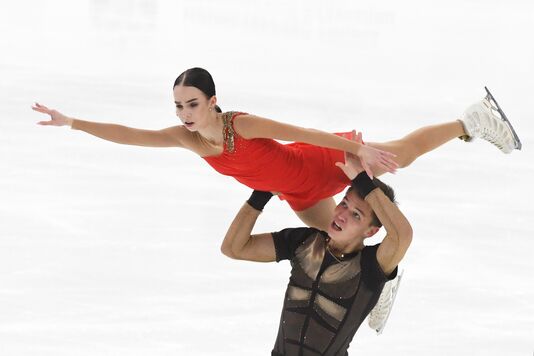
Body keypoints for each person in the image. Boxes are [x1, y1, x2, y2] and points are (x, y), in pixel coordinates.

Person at [31, 67, 520, 230]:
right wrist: (73, 122)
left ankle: (469, 120)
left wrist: (356, 151)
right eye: (178, 105)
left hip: (319, 159)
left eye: (192, 104)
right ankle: (382, 283)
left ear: (212, 100)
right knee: (335, 238)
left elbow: (302, 133)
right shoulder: (186, 138)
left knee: (401, 155)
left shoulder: (240, 125)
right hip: (297, 193)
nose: (183, 114)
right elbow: (130, 135)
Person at [221, 146, 411, 356]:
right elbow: (233, 248)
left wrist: (361, 180)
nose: (341, 215)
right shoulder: (304, 242)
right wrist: (262, 193)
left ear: (371, 231)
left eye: (356, 215)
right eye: (344, 203)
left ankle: (384, 285)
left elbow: (401, 235)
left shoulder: (370, 266)